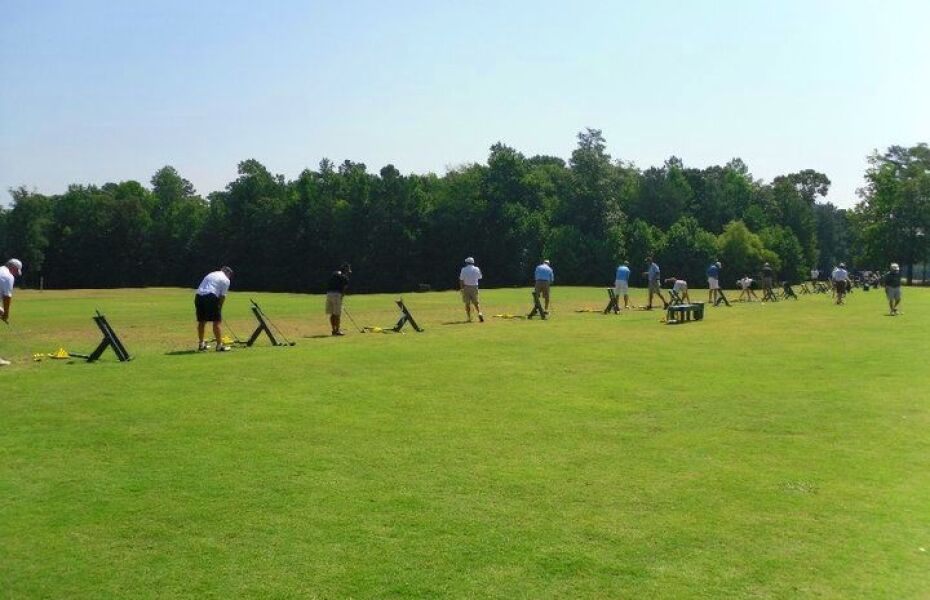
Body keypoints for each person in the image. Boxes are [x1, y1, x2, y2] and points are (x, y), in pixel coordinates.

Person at [195, 266, 233, 352]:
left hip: (198, 296)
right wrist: (219, 309)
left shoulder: (212, 274)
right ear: (228, 273)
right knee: (217, 322)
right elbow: (222, 297)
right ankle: (219, 346)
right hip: (210, 296)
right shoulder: (226, 280)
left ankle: (201, 344)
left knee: (202, 321)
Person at [0, 258, 24, 367]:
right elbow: (7, 297)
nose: (15, 274)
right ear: (13, 268)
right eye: (16, 271)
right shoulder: (8, 276)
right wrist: (6, 315)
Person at [326, 264, 351, 336]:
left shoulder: (334, 274)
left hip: (329, 293)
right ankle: (337, 330)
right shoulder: (345, 278)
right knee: (337, 314)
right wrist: (341, 299)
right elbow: (343, 291)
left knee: (332, 314)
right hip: (337, 295)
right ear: (345, 271)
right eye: (347, 271)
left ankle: (333, 330)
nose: (348, 273)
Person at [459, 257, 484, 322]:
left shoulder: (463, 269)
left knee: (467, 303)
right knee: (476, 302)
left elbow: (461, 280)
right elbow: (480, 277)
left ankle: (469, 317)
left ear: (467, 263)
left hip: (466, 287)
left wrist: (461, 289)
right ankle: (479, 313)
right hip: (475, 287)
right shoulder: (476, 269)